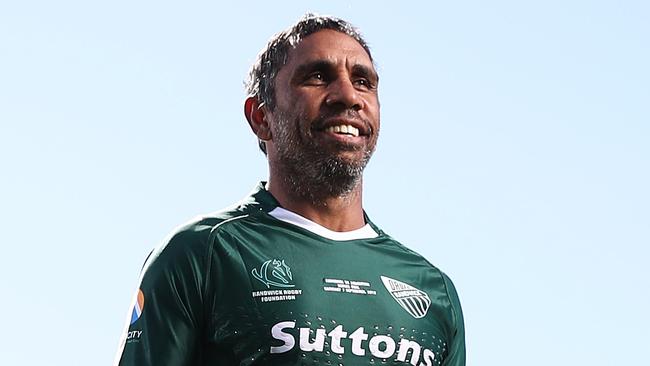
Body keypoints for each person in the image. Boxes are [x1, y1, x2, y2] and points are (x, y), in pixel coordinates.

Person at [114, 14, 465, 366]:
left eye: (363, 81)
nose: (347, 96)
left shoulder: (434, 291)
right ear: (261, 117)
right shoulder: (203, 254)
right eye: (317, 76)